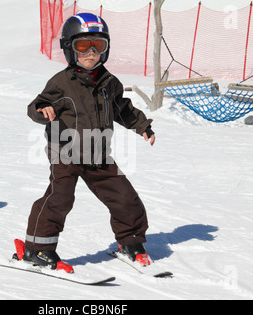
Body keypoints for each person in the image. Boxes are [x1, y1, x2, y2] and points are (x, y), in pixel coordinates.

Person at [18, 13, 156, 273]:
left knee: (125, 198)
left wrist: (142, 126)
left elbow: (122, 109)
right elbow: (36, 105)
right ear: (70, 48)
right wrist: (42, 109)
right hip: (66, 153)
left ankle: (131, 243)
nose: (91, 52)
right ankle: (38, 248)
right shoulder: (61, 83)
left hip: (99, 153)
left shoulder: (109, 83)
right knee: (60, 198)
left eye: (98, 45)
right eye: (83, 46)